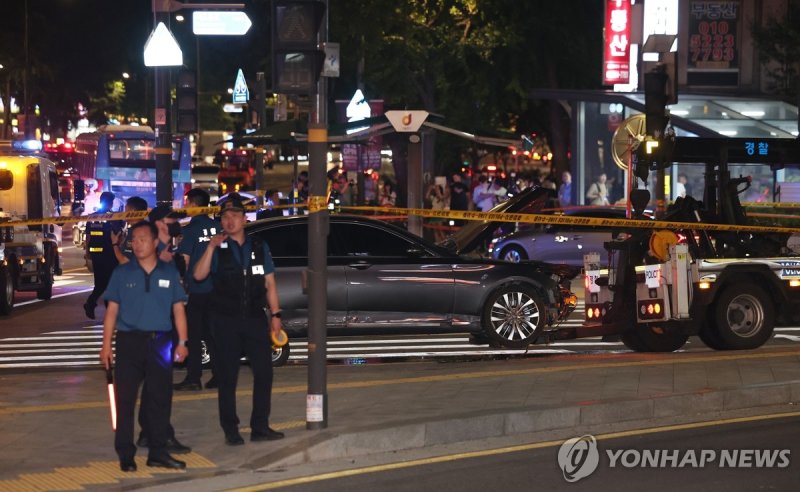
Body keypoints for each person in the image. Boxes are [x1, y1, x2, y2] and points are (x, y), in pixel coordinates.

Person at [193, 193, 286, 445]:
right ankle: (230, 430)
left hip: (255, 318)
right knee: (227, 377)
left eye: (235, 216)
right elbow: (199, 275)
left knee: (264, 373)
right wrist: (210, 247)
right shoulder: (216, 246)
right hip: (225, 320)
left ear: (244, 219)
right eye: (225, 217)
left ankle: (260, 426)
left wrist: (275, 314)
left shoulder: (258, 246)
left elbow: (269, 282)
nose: (230, 221)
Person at [99, 221, 189, 472]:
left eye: (141, 239)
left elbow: (178, 309)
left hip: (161, 341)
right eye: (133, 240)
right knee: (125, 400)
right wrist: (106, 346)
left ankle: (158, 452)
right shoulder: (122, 273)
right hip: (129, 342)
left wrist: (182, 342)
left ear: (154, 242)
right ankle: (126, 454)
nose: (136, 244)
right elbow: (111, 312)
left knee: (160, 399)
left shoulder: (168, 272)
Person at [174, 189, 221, 391]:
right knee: (214, 334)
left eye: (187, 203)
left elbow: (184, 261)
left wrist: (181, 284)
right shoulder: (218, 227)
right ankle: (219, 375)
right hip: (218, 288)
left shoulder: (190, 230)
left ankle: (194, 377)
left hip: (198, 289)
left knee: (194, 334)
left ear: (194, 204)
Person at [83, 192, 121, 320]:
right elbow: (118, 233)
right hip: (109, 253)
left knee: (101, 282)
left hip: (96, 253)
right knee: (109, 282)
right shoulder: (113, 217)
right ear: (110, 202)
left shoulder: (93, 217)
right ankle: (99, 305)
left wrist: (87, 252)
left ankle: (92, 303)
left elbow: (88, 236)